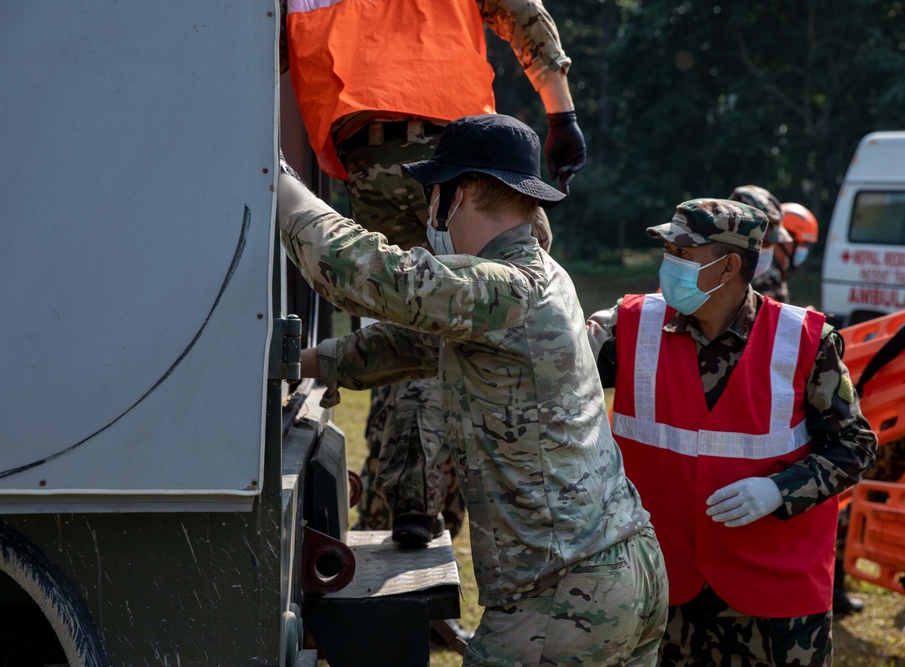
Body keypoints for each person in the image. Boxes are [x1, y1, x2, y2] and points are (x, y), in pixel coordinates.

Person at [278, 113, 667, 665]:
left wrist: (278, 181)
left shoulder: (506, 288)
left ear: (455, 194)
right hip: (625, 569)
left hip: (562, 593)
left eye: (432, 192)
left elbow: (366, 271)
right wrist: (307, 362)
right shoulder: (541, 277)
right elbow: (413, 345)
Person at [283, 0, 586, 547]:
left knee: (422, 309)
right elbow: (523, 14)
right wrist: (560, 111)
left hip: (369, 138)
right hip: (457, 140)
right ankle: (417, 505)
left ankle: (405, 504)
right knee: (439, 317)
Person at [586, 199, 877, 666]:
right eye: (668, 251)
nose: (670, 265)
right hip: (663, 583)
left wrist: (778, 491)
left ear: (730, 266)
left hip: (774, 595)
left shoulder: (804, 340)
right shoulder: (634, 325)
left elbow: (855, 447)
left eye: (684, 253)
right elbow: (558, 386)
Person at [728, 185, 795, 303]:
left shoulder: (772, 277)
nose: (768, 249)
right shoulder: (708, 276)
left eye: (770, 243)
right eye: (761, 243)